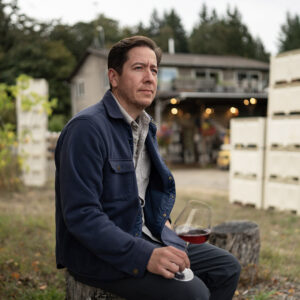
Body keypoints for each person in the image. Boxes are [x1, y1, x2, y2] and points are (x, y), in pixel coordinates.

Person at [55, 36, 241, 300]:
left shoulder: (146, 127)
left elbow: (144, 192)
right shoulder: (86, 129)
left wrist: (163, 226)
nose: (150, 77)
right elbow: (82, 215)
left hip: (146, 237)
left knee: (226, 268)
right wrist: (145, 255)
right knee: (194, 293)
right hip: (98, 253)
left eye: (154, 70)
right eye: (138, 68)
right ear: (114, 77)